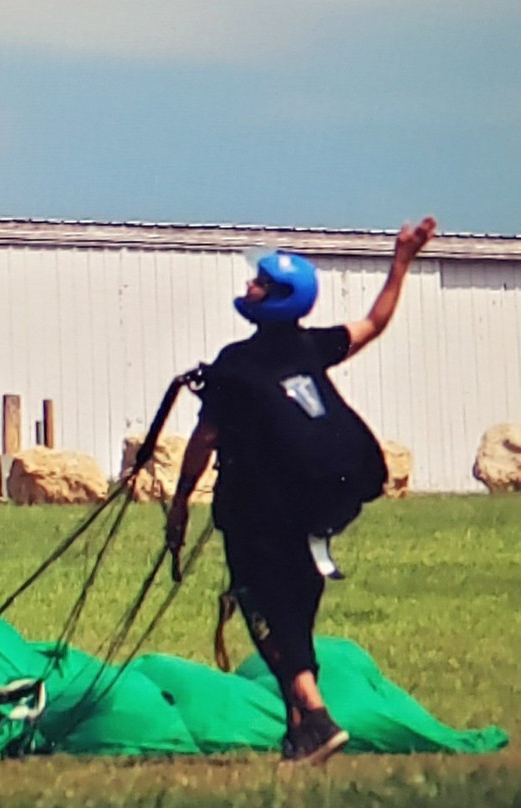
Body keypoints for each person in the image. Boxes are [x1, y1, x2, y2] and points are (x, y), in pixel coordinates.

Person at [164, 216, 437, 765]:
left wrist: (179, 503)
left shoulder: (235, 363)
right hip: (320, 501)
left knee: (261, 602)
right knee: (297, 598)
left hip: (258, 506)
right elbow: (374, 323)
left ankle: (314, 713)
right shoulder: (312, 346)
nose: (248, 287)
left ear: (277, 298)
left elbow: (205, 438)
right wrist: (401, 260)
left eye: (258, 282)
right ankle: (299, 736)